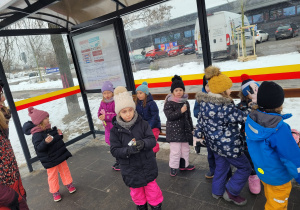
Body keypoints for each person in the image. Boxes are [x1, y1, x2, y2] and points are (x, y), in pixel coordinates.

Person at [194, 66, 253, 206]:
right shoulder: (226, 106)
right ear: (222, 91)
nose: (230, 91)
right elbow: (243, 117)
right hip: (229, 146)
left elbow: (200, 122)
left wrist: (197, 135)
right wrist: (252, 107)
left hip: (215, 145)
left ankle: (217, 191)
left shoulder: (204, 104)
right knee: (245, 167)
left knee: (221, 167)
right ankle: (231, 192)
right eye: (228, 88)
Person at [245, 81, 300, 210]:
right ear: (279, 104)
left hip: (263, 171)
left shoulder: (252, 119)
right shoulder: (279, 129)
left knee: (271, 195)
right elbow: (292, 157)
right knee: (277, 205)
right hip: (278, 177)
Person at [110, 86, 163, 210]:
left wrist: (143, 143)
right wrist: (128, 151)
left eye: (130, 110)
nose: (128, 114)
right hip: (130, 170)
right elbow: (114, 150)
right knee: (137, 193)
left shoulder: (143, 124)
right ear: (118, 113)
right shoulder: (115, 131)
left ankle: (156, 207)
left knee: (153, 191)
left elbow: (151, 140)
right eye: (124, 111)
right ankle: (141, 207)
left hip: (147, 166)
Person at [23, 107, 76, 202]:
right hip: (49, 159)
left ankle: (69, 184)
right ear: (40, 121)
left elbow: (57, 141)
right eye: (46, 118)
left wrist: (59, 135)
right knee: (52, 175)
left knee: (65, 169)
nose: (48, 119)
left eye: (47, 117)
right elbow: (38, 148)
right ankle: (55, 191)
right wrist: (45, 142)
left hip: (59, 155)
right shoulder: (36, 134)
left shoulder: (50, 129)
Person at [0, 80, 29, 210]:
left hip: (14, 187)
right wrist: (12, 197)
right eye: (0, 94)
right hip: (6, 198)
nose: (4, 98)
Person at [164, 75, 195, 177]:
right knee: (175, 151)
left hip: (184, 131)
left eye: (181, 90)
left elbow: (189, 117)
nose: (178, 92)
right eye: (176, 90)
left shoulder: (185, 102)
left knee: (185, 149)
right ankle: (173, 167)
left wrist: (191, 129)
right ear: (172, 91)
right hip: (174, 132)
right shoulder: (169, 102)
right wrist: (180, 111)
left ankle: (184, 165)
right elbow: (169, 116)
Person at [237, 74, 261, 195]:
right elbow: (240, 119)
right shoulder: (242, 106)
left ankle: (260, 173)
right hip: (247, 138)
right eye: (252, 90)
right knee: (250, 157)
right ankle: (253, 176)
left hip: (261, 138)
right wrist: (251, 108)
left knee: (260, 156)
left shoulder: (263, 104)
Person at [193, 75, 216, 179]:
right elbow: (195, 112)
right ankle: (212, 169)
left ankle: (224, 170)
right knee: (210, 152)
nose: (209, 88)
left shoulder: (219, 96)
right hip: (207, 130)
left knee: (221, 153)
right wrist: (204, 114)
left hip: (219, 131)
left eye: (212, 85)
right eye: (207, 85)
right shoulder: (201, 97)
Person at [135, 81, 161, 155]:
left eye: (141, 93)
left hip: (153, 125)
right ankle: (144, 150)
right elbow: (137, 115)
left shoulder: (151, 103)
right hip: (143, 125)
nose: (138, 95)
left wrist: (149, 126)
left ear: (145, 93)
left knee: (152, 136)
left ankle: (153, 152)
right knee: (139, 135)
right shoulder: (137, 103)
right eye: (137, 93)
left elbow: (155, 116)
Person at [97, 81, 118, 170]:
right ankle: (118, 160)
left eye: (108, 92)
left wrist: (107, 116)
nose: (107, 95)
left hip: (115, 128)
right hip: (107, 128)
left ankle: (120, 161)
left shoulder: (115, 102)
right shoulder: (103, 102)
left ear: (112, 92)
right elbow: (99, 112)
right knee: (112, 145)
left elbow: (117, 114)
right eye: (104, 93)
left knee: (117, 145)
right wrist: (100, 116)